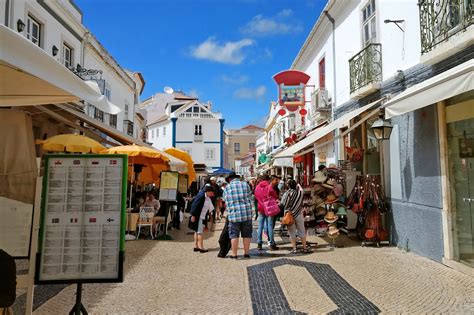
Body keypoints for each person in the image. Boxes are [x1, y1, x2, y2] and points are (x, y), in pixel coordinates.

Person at [223, 172, 254, 259]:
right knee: (247, 234)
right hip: (246, 214)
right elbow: (250, 197)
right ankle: (246, 253)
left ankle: (234, 255)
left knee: (234, 235)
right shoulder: (245, 185)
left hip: (234, 215)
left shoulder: (227, 188)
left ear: (229, 179)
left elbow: (225, 200)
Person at [281, 179, 312, 254]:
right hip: (299, 214)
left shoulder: (286, 194)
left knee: (292, 232)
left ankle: (294, 249)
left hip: (289, 215)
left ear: (288, 185)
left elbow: (283, 204)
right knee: (302, 231)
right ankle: (304, 248)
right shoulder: (300, 193)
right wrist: (297, 185)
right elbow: (300, 187)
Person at [254, 175, 279, 250]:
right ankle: (271, 244)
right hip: (269, 208)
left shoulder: (257, 187)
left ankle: (259, 243)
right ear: (268, 179)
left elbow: (256, 196)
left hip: (260, 208)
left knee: (260, 226)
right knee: (270, 226)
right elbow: (275, 196)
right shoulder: (269, 186)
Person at [189, 185, 215, 253]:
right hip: (199, 216)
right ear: (208, 191)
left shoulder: (204, 196)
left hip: (199, 216)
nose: (212, 194)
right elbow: (195, 205)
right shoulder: (201, 196)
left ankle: (196, 246)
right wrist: (193, 215)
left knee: (196, 231)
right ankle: (201, 247)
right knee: (200, 232)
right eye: (211, 193)